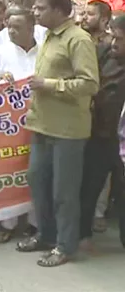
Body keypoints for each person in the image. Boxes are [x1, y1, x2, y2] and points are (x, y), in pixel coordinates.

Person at [16, 0, 99, 267]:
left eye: (40, 8)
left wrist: (49, 85)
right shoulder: (48, 37)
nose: (34, 12)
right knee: (38, 183)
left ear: (59, 10)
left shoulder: (78, 40)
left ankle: (65, 245)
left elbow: (89, 84)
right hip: (42, 126)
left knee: (64, 192)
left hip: (68, 131)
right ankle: (46, 236)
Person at [0, 6, 39, 242]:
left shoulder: (45, 51)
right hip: (9, 128)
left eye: (17, 27)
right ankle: (7, 223)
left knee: (35, 174)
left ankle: (34, 223)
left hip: (40, 124)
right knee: (10, 172)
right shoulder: (0, 52)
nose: (11, 31)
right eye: (9, 26)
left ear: (31, 29)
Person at [79, 15, 125, 250]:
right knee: (88, 187)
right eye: (112, 36)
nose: (114, 43)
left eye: (119, 38)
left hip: (122, 142)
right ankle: (82, 235)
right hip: (99, 135)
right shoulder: (104, 53)